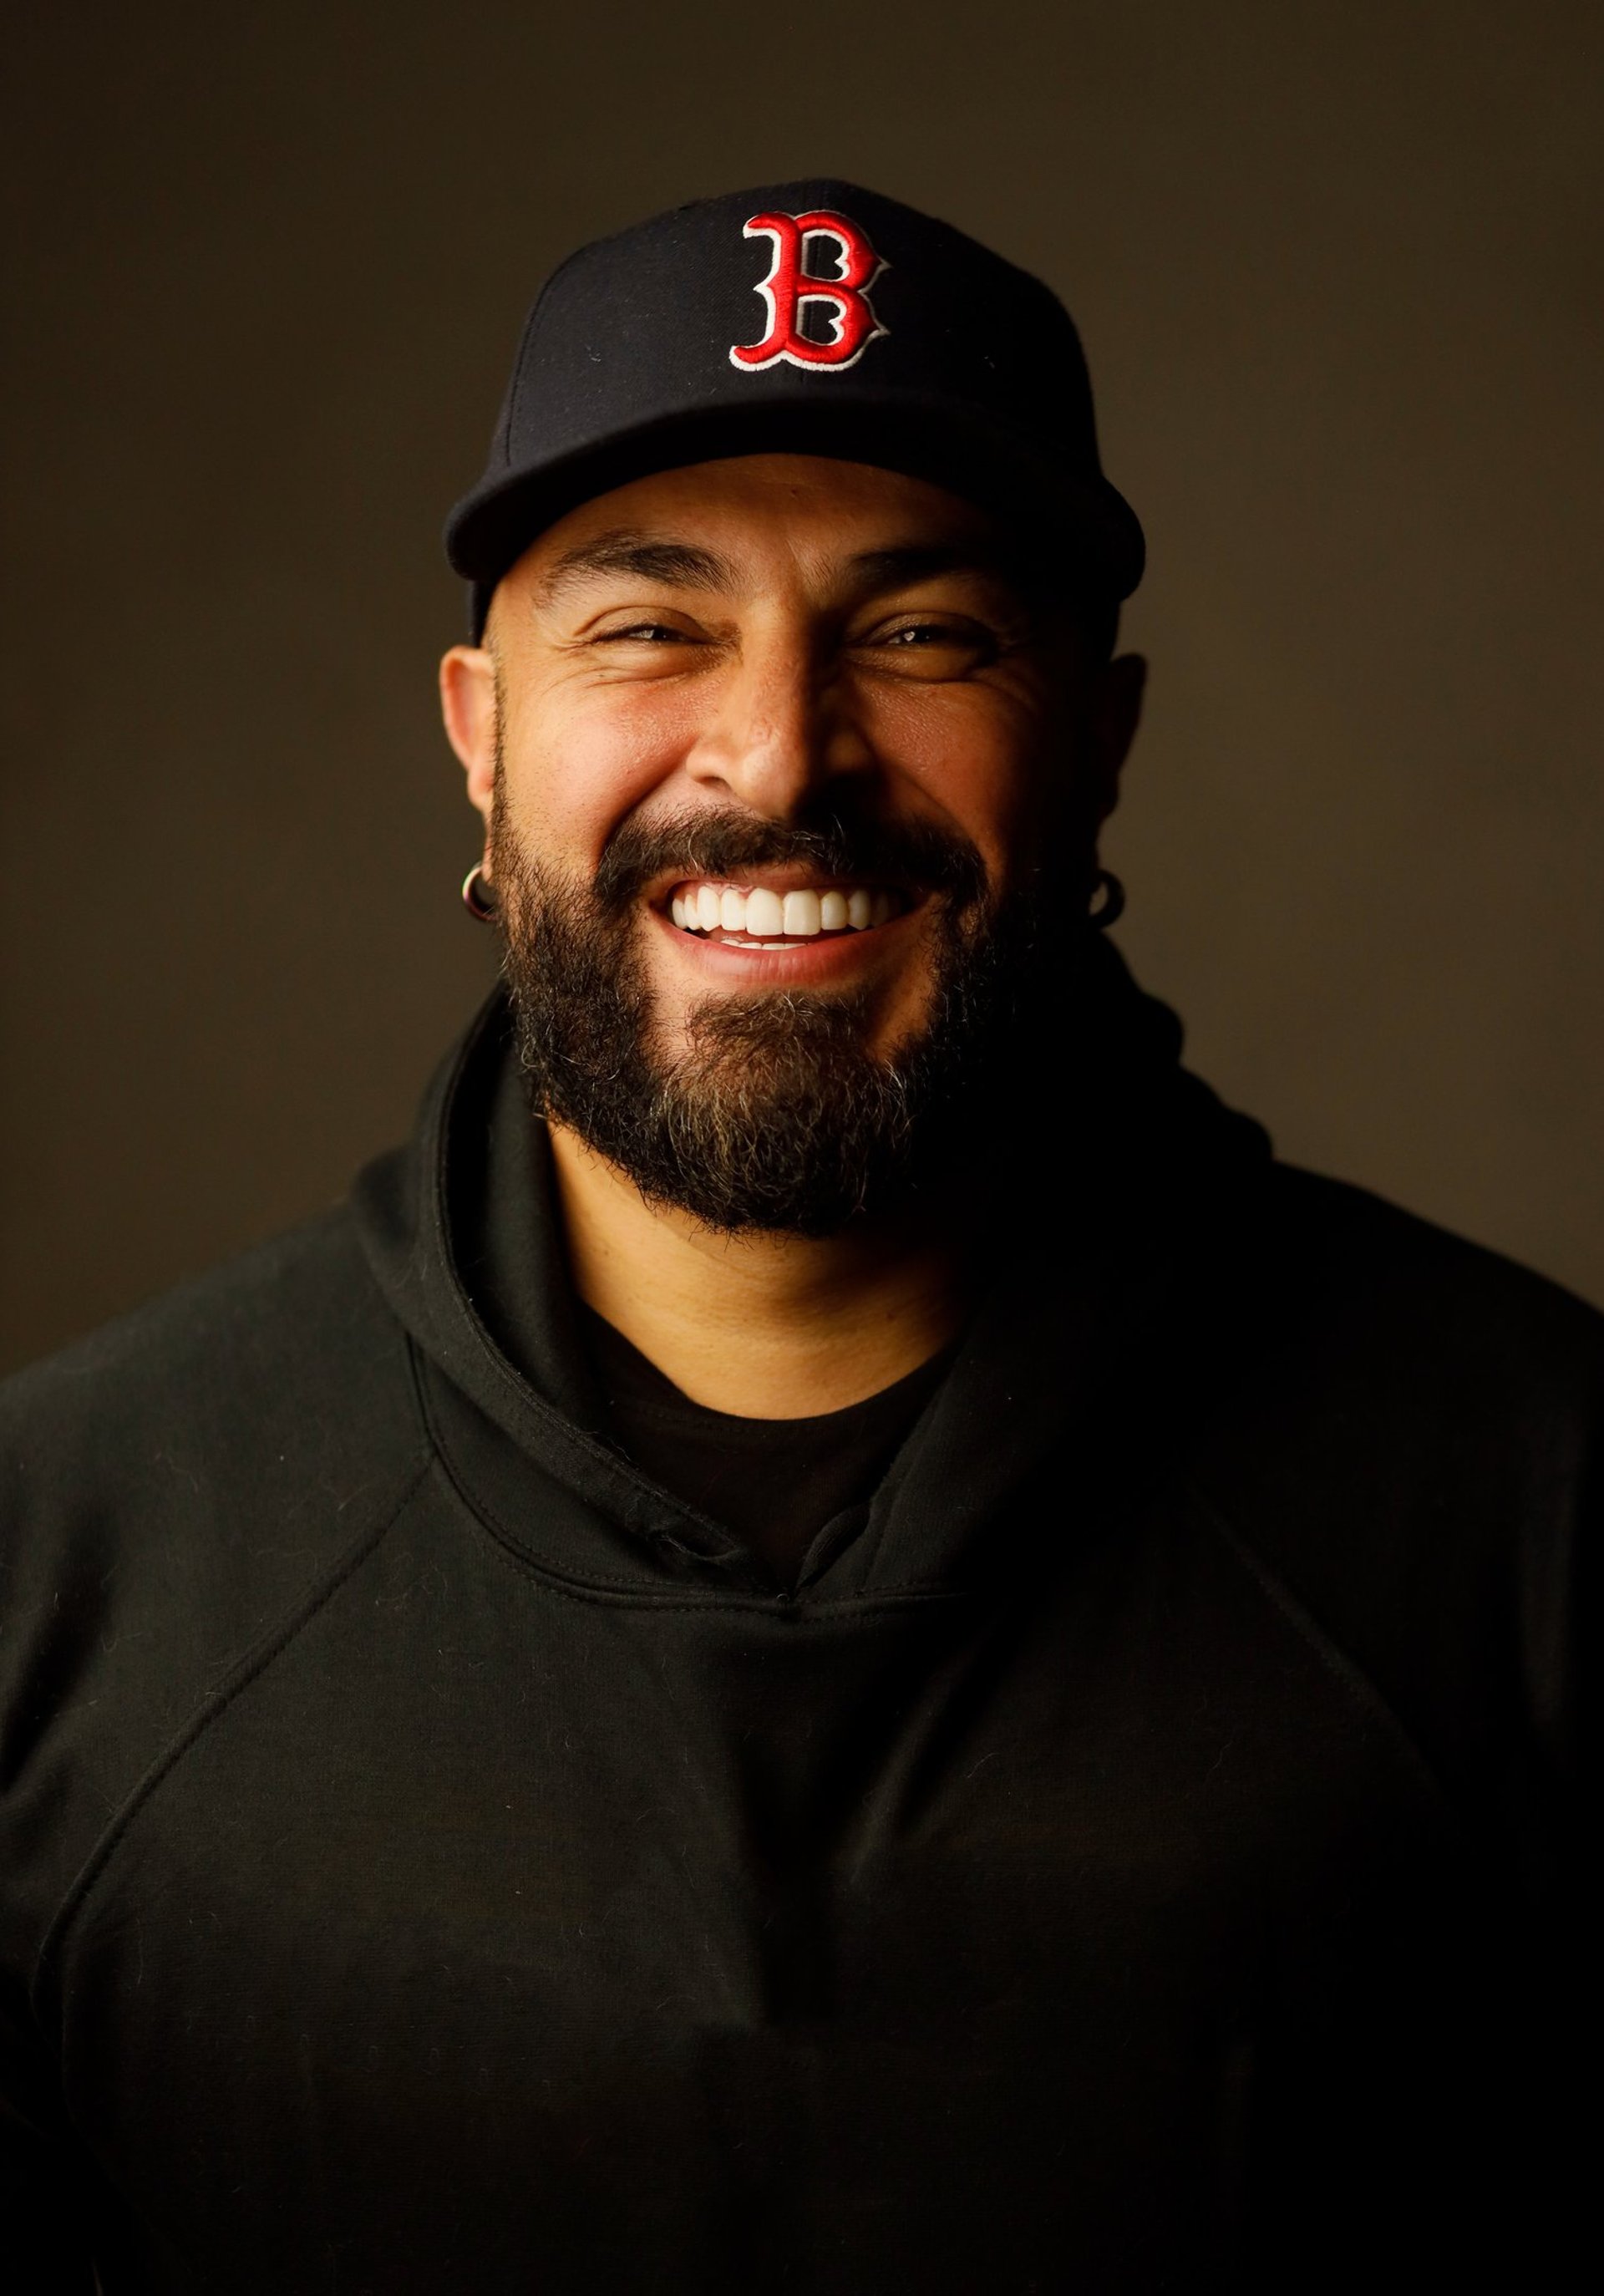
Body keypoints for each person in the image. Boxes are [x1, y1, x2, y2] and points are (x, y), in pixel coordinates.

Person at [0, 180, 1587, 2293]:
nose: (777, 755)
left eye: (922, 633)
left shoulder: (1538, 1511)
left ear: (1098, 745)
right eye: (649, 626)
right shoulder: (59, 1566)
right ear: (481, 741)